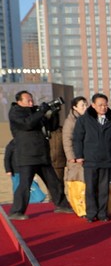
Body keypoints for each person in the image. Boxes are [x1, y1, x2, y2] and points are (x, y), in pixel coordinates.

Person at [7, 90, 72, 220]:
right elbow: (27, 124)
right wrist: (41, 111)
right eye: (28, 100)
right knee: (25, 185)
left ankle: (62, 205)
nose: (31, 102)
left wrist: (54, 112)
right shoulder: (15, 112)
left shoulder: (35, 111)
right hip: (27, 156)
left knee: (54, 182)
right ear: (19, 102)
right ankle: (16, 211)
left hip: (42, 154)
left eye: (32, 100)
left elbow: (51, 127)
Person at [73, 93, 111, 222]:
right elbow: (77, 139)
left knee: (104, 188)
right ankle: (91, 213)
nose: (103, 107)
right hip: (90, 159)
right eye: (100, 105)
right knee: (90, 188)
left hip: (107, 159)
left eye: (105, 105)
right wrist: (79, 156)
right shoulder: (84, 120)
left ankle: (102, 214)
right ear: (93, 105)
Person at [63, 96, 89, 216]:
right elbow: (67, 140)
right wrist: (71, 156)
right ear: (75, 107)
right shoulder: (70, 121)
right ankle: (80, 209)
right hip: (75, 158)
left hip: (87, 155)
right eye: (82, 105)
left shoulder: (87, 118)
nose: (85, 107)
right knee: (77, 183)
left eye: (85, 104)